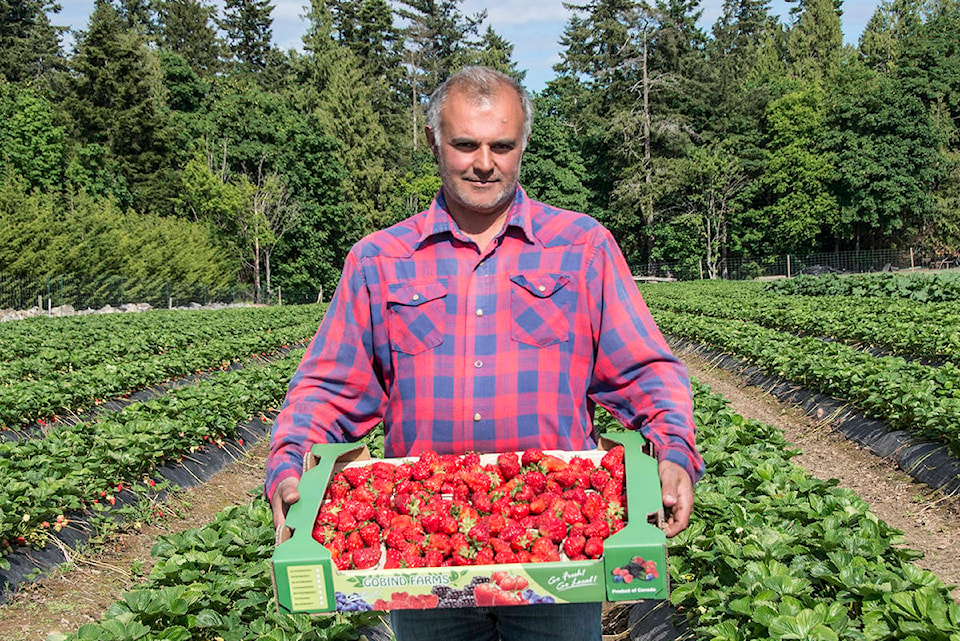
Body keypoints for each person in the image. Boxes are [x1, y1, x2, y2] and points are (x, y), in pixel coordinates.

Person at [266, 65, 704, 641]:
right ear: (433, 142)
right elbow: (328, 387)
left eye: (501, 145)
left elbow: (644, 369)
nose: (483, 162)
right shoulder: (380, 260)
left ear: (523, 144)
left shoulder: (582, 247)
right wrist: (291, 461)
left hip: (557, 547)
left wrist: (673, 450)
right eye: (465, 144)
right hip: (421, 547)